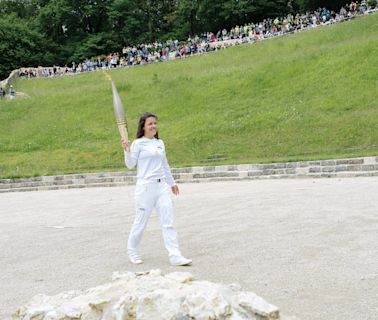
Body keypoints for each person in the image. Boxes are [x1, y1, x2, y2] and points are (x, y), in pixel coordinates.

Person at [122, 112, 192, 266]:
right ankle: (132, 251)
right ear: (143, 127)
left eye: (155, 123)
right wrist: (126, 151)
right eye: (150, 124)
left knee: (168, 222)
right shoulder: (138, 143)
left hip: (162, 187)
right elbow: (130, 165)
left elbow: (165, 164)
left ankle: (175, 256)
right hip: (145, 188)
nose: (153, 126)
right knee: (141, 222)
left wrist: (172, 183)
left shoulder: (160, 143)